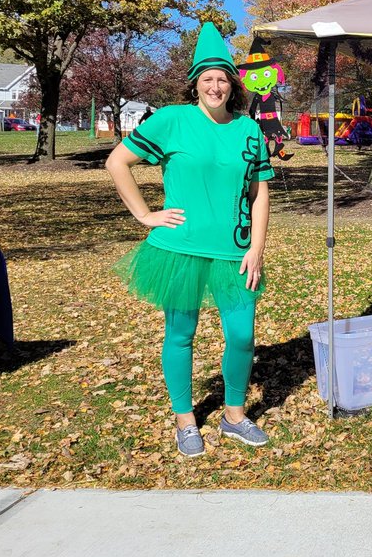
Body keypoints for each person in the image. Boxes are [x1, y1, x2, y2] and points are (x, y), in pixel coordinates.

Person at [106, 23, 275, 457]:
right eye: (207, 79)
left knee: (241, 335)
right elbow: (117, 161)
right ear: (195, 84)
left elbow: (259, 194)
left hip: (235, 252)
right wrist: (145, 215)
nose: (215, 86)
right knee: (180, 333)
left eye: (222, 78)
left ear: (231, 85)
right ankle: (185, 421)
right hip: (180, 248)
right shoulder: (171, 120)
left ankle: (233, 416)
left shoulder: (249, 131)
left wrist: (256, 248)